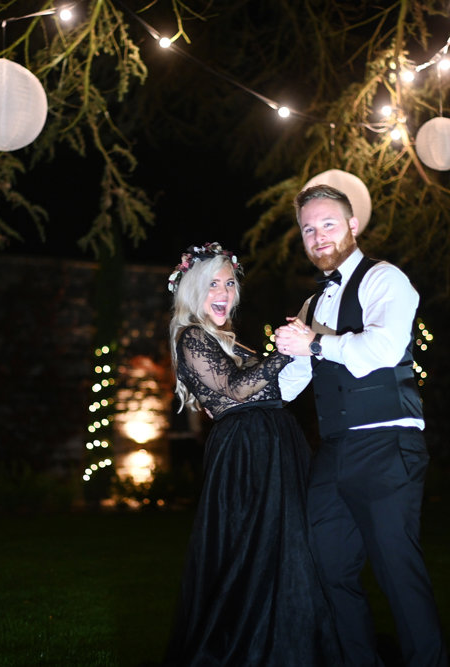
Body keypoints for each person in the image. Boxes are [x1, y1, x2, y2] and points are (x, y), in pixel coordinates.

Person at [274, 185, 447, 666]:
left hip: (388, 445)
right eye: (309, 228)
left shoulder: (385, 280)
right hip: (334, 452)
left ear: (353, 226)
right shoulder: (314, 305)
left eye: (328, 223)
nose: (318, 235)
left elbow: (383, 350)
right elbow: (290, 383)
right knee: (329, 564)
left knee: (397, 570)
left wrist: (312, 344)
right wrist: (231, 390)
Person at [164, 242, 340, 666]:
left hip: (274, 444)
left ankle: (287, 643)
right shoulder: (192, 336)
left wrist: (303, 341)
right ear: (192, 290)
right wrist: (282, 350)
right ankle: (244, 644)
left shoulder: (230, 342)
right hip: (245, 453)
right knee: (251, 550)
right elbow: (234, 389)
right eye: (211, 285)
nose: (223, 292)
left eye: (228, 283)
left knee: (286, 546)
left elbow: (275, 387)